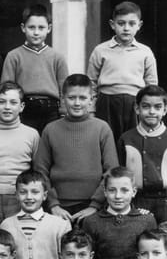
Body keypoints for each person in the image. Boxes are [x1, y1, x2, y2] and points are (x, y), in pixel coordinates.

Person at [33, 73, 118, 224]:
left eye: (83, 98)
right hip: (58, 207)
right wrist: (53, 205)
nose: (77, 103)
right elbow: (40, 171)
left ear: (92, 100)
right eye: (72, 98)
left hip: (93, 208)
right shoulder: (50, 129)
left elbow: (112, 170)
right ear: (63, 98)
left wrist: (95, 205)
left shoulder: (102, 128)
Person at [87, 1, 158, 143]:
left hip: (134, 104)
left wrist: (149, 108)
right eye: (121, 23)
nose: (126, 28)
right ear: (112, 24)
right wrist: (91, 109)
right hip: (106, 103)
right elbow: (91, 83)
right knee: (107, 142)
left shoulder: (145, 52)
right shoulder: (100, 50)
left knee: (133, 143)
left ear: (139, 25)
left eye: (131, 24)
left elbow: (151, 85)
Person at [117, 85, 167, 224]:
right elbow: (119, 175)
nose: (151, 111)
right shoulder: (126, 139)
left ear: (165, 110)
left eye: (157, 107)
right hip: (136, 202)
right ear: (137, 108)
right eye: (146, 106)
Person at [0, 81, 40, 220]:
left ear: (21, 106)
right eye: (2, 102)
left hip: (21, 197)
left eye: (13, 102)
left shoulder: (32, 135)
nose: (7, 107)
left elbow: (36, 171)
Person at [81, 167, 157, 259]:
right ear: (105, 192)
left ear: (134, 192)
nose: (118, 196)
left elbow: (152, 256)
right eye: (112, 190)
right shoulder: (91, 222)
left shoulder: (146, 220)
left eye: (124, 190)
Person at [1, 4, 68, 134]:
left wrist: (64, 112)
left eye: (41, 27)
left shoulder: (57, 57)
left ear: (49, 29)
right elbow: (7, 87)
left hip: (51, 110)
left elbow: (64, 88)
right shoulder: (14, 56)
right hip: (25, 109)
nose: (36, 32)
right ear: (23, 28)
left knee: (50, 143)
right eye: (31, 27)